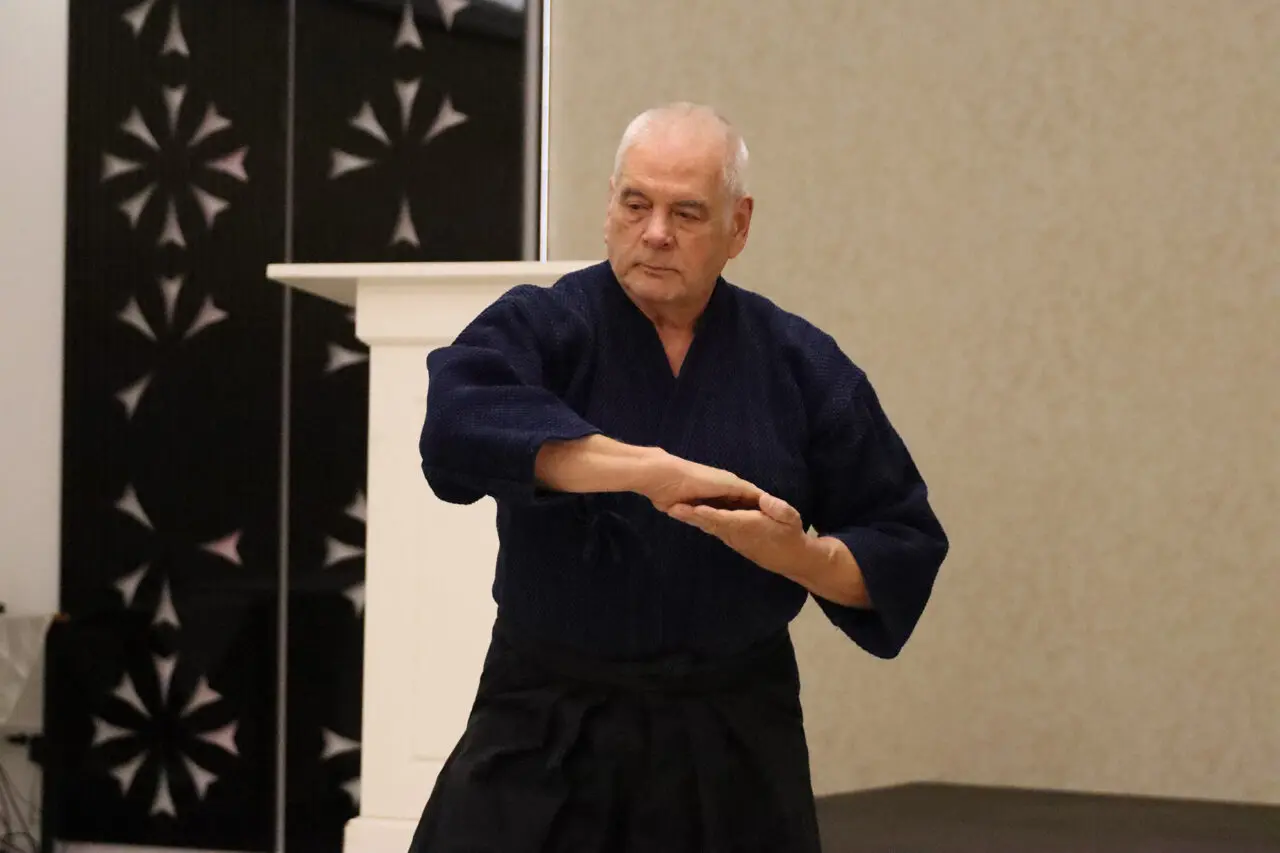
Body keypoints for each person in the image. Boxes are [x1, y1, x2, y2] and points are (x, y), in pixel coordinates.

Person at [408, 102, 949, 852]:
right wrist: (647, 472)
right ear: (610, 206)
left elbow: (902, 543)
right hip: (544, 730)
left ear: (739, 226)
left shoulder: (798, 364)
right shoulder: (545, 325)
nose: (656, 232)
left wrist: (797, 555)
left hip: (731, 743)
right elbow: (458, 422)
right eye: (637, 204)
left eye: (687, 212)